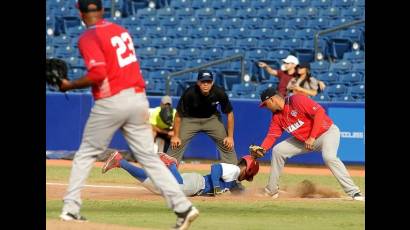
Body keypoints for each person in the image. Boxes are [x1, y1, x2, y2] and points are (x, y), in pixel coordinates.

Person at [58, 1, 199, 229]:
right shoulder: (120, 31)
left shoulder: (88, 37)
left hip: (112, 100)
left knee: (85, 154)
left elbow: (98, 73)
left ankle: (70, 210)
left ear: (81, 14)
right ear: (102, 11)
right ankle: (183, 207)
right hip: (138, 98)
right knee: (149, 157)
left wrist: (69, 85)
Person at [257, 88, 364, 201]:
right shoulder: (276, 117)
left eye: (265, 104)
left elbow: (319, 112)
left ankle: (354, 192)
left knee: (329, 157)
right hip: (305, 141)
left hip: (327, 133)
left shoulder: (297, 100)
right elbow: (272, 136)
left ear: (272, 100)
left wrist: (312, 137)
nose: (265, 107)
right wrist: (262, 149)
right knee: (278, 151)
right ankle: (271, 190)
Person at [102, 151, 259, 197]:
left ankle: (119, 161)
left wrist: (270, 192)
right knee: (176, 189)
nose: (247, 178)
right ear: (248, 171)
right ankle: (171, 165)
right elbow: (216, 168)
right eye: (249, 176)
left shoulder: (234, 182)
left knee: (155, 186)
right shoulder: (235, 170)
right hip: (197, 184)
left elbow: (243, 193)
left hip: (193, 184)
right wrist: (217, 187)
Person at [167, 70, 238, 164]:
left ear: (212, 83)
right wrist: (175, 136)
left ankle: (233, 174)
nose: (205, 84)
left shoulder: (219, 92)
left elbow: (229, 113)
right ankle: (167, 173)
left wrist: (230, 137)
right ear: (198, 82)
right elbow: (178, 115)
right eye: (203, 81)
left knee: (227, 144)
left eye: (208, 82)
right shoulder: (190, 93)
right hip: (190, 119)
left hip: (211, 119)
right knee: (176, 144)